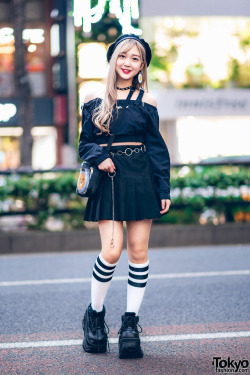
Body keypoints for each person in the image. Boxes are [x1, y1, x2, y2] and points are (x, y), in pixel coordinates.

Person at [78, 33, 171, 359]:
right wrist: (98, 157)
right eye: (123, 56)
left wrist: (163, 188)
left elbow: (158, 150)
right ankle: (95, 315)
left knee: (138, 249)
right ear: (113, 58)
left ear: (142, 64)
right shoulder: (92, 94)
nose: (128, 63)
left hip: (141, 177)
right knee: (113, 250)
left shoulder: (149, 100)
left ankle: (130, 325)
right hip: (108, 178)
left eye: (136, 59)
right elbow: (84, 142)